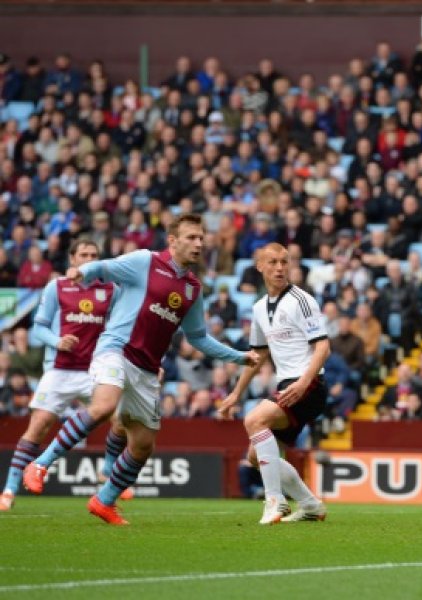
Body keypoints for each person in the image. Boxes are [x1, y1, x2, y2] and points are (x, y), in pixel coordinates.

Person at [23, 214, 259, 525]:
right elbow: (103, 267)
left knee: (144, 444)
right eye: (191, 237)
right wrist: (81, 271)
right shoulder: (143, 261)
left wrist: (240, 357)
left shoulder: (192, 289)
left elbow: (198, 338)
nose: (199, 243)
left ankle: (104, 500)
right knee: (104, 406)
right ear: (172, 241)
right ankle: (40, 463)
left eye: (201, 237)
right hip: (115, 350)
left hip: (147, 369)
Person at [0, 239, 127, 511]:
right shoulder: (57, 287)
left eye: (94, 254)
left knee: (122, 419)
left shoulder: (111, 290)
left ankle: (106, 470)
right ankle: (9, 490)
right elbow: (39, 327)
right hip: (60, 369)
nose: (89, 258)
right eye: (84, 254)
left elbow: (121, 327)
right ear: (72, 259)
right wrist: (57, 341)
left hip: (95, 369)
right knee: (40, 424)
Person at [219, 243, 329, 525]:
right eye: (272, 262)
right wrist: (235, 393)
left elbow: (323, 348)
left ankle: (275, 501)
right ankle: (309, 505)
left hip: (309, 384)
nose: (279, 267)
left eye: (284, 262)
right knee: (256, 456)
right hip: (288, 386)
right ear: (259, 266)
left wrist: (305, 383)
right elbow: (258, 356)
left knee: (254, 420)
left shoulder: (301, 300)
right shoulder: (258, 308)